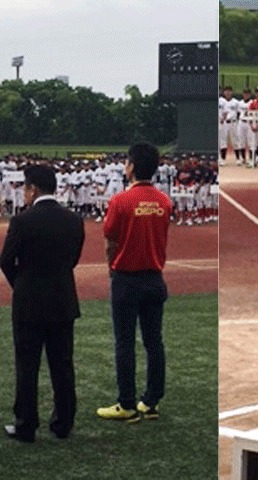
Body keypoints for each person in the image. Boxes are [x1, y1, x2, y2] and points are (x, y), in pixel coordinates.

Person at [0, 162, 85, 443]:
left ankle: (26, 425)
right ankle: (63, 422)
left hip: (29, 302)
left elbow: (5, 260)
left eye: (25, 188)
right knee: (62, 365)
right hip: (62, 298)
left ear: (33, 189)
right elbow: (73, 258)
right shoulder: (73, 219)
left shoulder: (22, 221)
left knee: (27, 365)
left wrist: (21, 283)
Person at [97, 141, 173, 422]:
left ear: (131, 167)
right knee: (155, 342)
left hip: (126, 278)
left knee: (125, 342)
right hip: (155, 277)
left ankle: (126, 404)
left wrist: (111, 267)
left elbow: (110, 240)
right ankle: (151, 401)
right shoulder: (164, 200)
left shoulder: (120, 200)